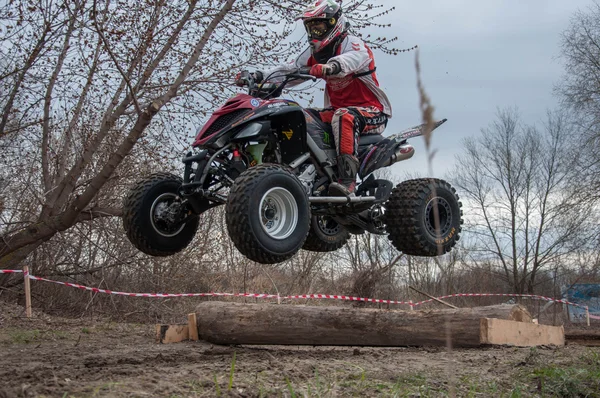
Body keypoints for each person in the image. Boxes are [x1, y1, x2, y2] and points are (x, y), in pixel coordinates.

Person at [262, 0, 393, 196]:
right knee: (295, 115)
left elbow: (351, 60)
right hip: (336, 111)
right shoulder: (316, 53)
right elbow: (288, 69)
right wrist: (260, 77)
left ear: (334, 23)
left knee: (343, 116)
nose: (314, 32)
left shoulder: (354, 45)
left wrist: (331, 66)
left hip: (372, 111)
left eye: (319, 27)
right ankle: (305, 171)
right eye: (311, 27)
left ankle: (347, 181)